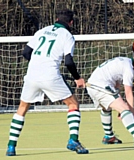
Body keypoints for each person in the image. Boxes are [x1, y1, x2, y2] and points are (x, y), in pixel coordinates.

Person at [6, 9, 89, 156]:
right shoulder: (67, 36)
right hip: (50, 75)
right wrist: (77, 78)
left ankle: (11, 147)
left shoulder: (42, 31)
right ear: (71, 23)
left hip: (31, 75)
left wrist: (39, 63)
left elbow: (26, 53)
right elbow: (69, 61)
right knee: (73, 104)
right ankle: (73, 140)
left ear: (56, 18)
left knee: (22, 108)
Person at [86, 53, 134, 146]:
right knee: (125, 109)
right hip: (101, 86)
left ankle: (109, 136)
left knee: (106, 108)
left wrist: (120, 108)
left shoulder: (123, 61)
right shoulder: (129, 69)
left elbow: (116, 87)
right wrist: (133, 116)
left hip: (92, 85)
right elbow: (129, 94)